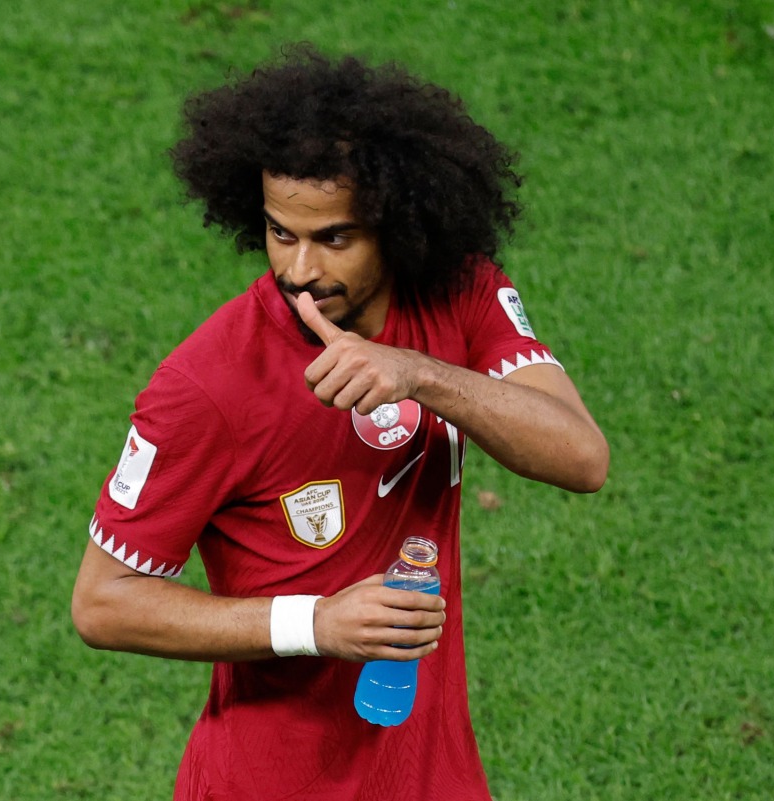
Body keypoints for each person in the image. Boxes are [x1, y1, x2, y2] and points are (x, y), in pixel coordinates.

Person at [71, 45, 609, 801]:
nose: (298, 270)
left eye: (334, 238)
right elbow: (102, 602)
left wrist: (420, 374)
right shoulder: (209, 384)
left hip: (430, 774)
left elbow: (581, 457)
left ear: (396, 220)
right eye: (280, 232)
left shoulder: (461, 294)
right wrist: (316, 623)